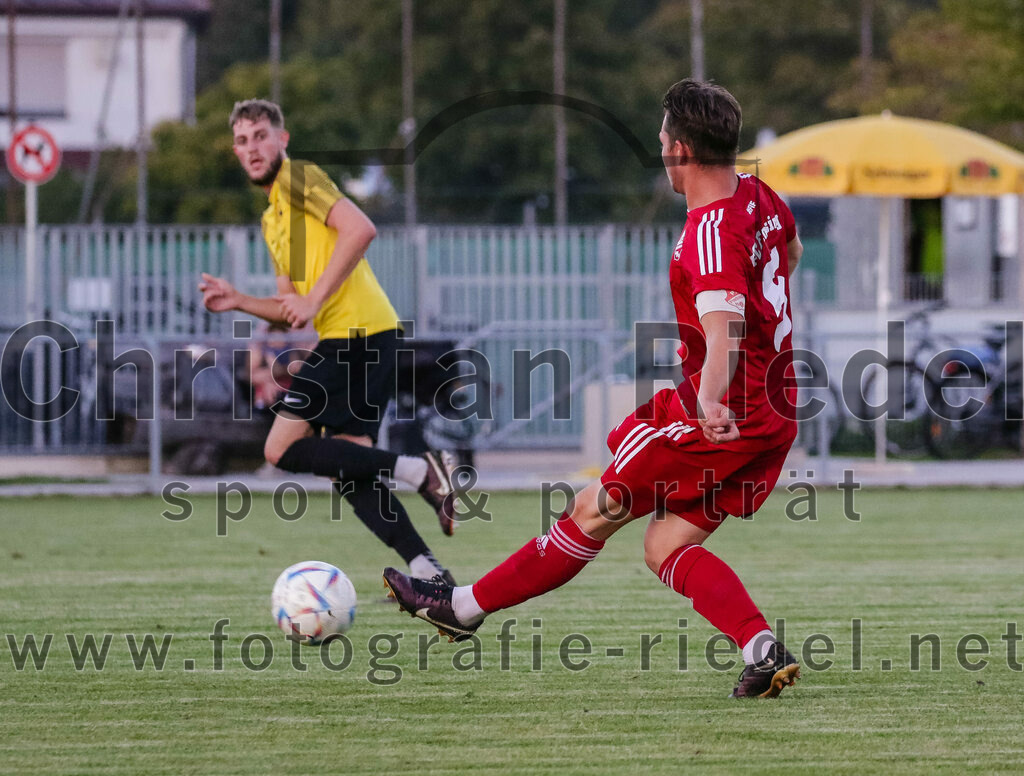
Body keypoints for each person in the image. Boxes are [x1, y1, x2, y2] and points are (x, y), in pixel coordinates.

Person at [383, 79, 805, 698]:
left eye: (662, 139)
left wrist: (712, 396)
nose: (660, 149)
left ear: (681, 149)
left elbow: (725, 333)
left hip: (719, 414)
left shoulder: (710, 233)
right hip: (774, 409)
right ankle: (761, 648)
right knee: (665, 544)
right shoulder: (759, 195)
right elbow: (789, 253)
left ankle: (462, 608)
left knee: (591, 510)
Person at [200, 99, 460, 583]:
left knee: (280, 449)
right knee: (348, 467)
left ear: (282, 139)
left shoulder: (299, 177)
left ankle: (421, 471)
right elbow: (289, 309)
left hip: (356, 332)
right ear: (234, 151)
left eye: (260, 136)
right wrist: (238, 300)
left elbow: (361, 229)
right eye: (242, 140)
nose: (251, 147)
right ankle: (429, 571)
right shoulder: (272, 219)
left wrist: (315, 299)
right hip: (367, 335)